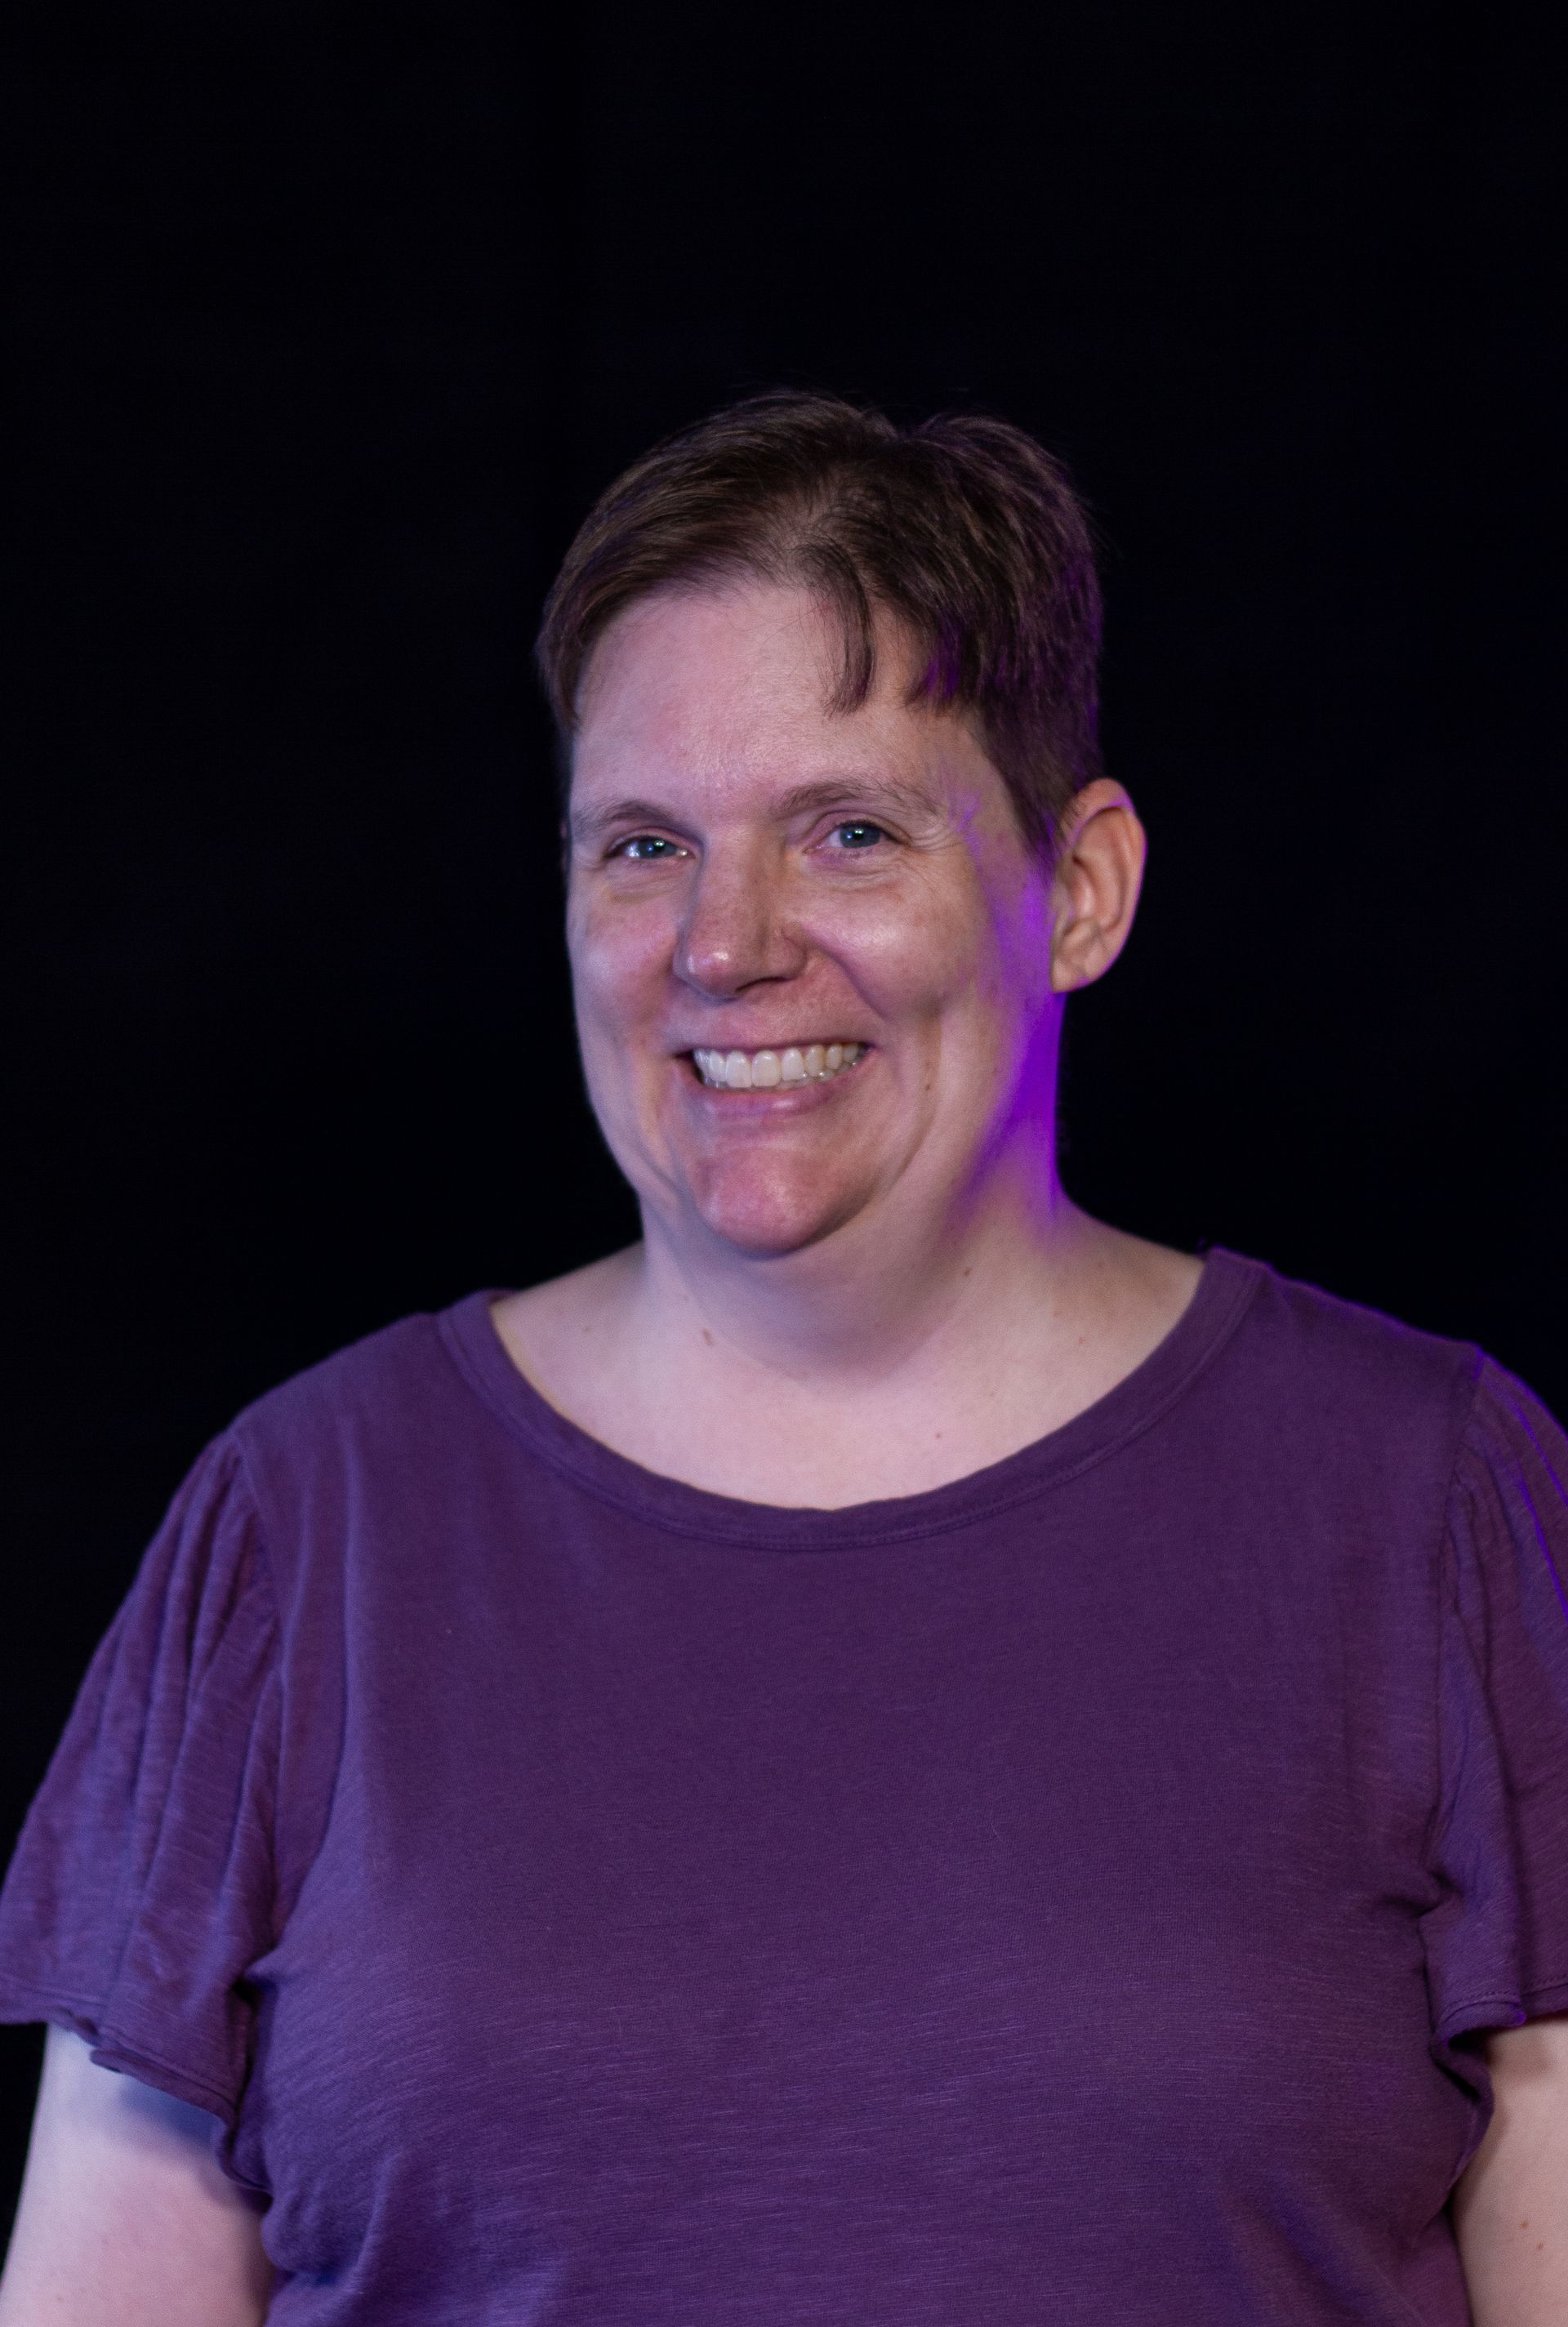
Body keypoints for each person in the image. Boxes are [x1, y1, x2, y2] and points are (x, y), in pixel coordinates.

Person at [0, 393, 1565, 2325]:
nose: (725, 946)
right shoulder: (300, 1527)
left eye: (847, 832)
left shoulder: (1434, 1504)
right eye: (644, 843)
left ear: (1080, 889)